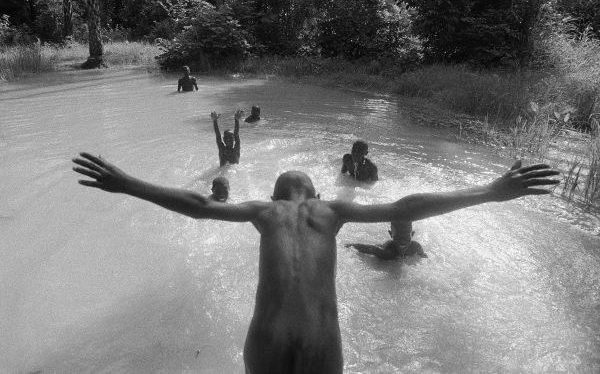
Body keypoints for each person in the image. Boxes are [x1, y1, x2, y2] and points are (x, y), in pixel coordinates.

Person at [72, 153, 559, 374]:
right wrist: (491, 192)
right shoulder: (334, 210)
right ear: (318, 195)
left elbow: (199, 206)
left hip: (267, 340)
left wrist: (128, 183)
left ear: (274, 196)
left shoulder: (263, 211)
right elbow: (408, 207)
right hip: (322, 342)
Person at [346, 221, 427, 260]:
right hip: (385, 248)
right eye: (398, 236)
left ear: (412, 234)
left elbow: (423, 256)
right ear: (391, 234)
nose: (402, 240)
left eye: (406, 236)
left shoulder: (416, 247)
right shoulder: (388, 250)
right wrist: (352, 246)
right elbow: (371, 249)